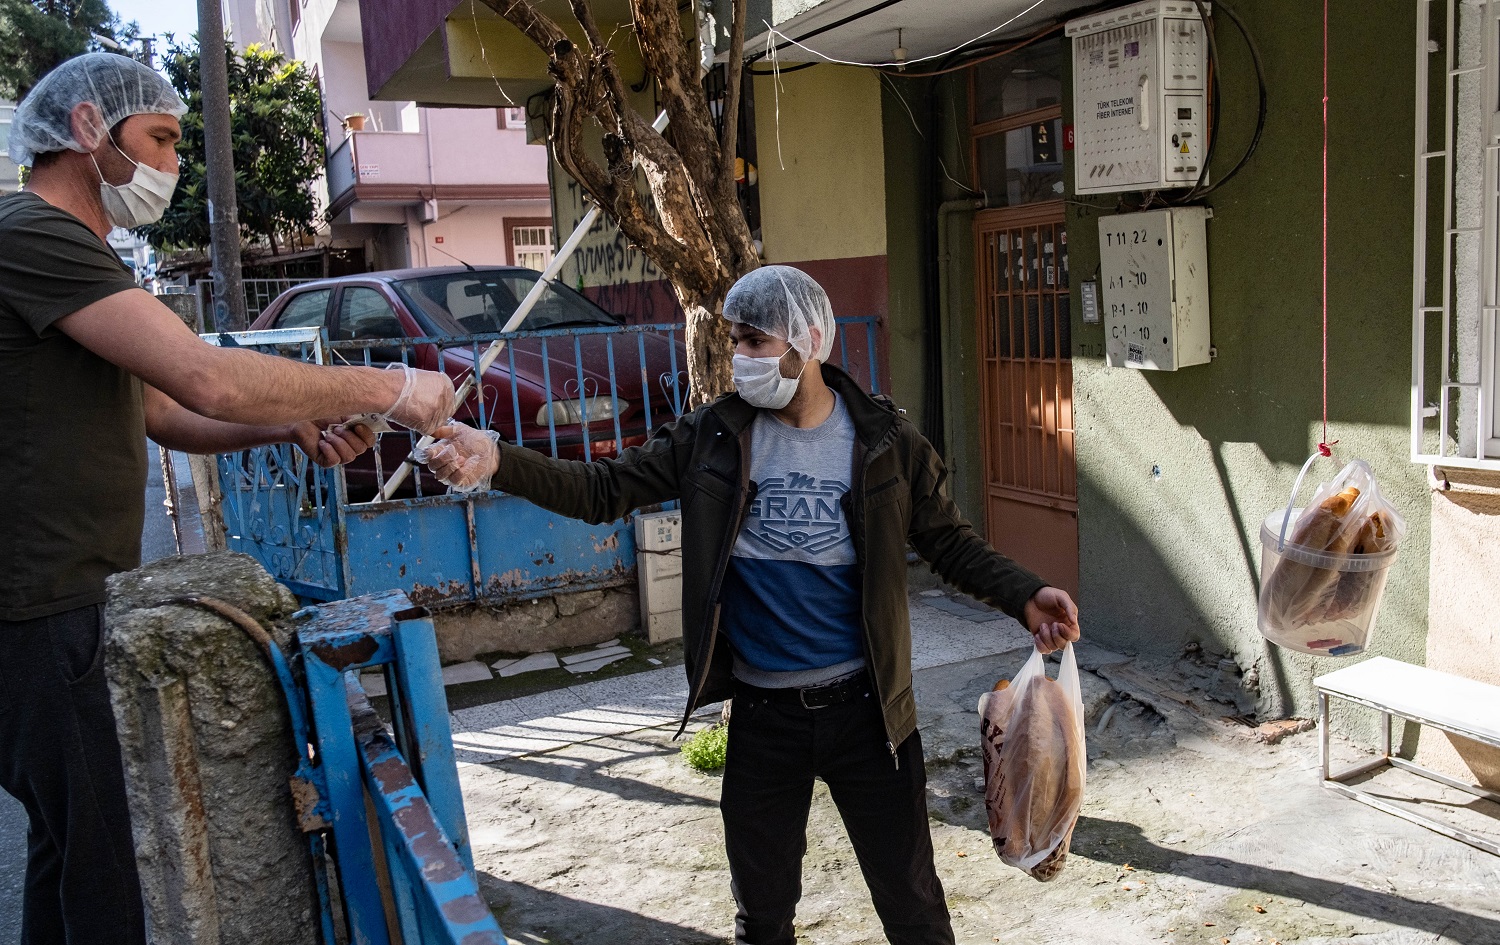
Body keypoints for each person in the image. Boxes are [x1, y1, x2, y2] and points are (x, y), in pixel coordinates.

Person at [423, 265, 1082, 945]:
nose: (738, 355)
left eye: (754, 340)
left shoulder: (885, 441)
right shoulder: (714, 436)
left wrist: (1024, 594)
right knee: (761, 919)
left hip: (870, 714)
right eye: (734, 339)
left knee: (914, 907)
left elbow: (948, 542)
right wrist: (498, 456)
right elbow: (603, 488)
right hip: (765, 719)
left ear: (810, 340)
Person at [0, 53, 457, 945]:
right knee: (103, 869)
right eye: (160, 139)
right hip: (38, 605)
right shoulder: (31, 231)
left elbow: (164, 410)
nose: (171, 163)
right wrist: (382, 390)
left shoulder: (83, 254)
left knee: (69, 848)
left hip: (68, 600)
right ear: (89, 129)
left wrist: (282, 426)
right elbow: (206, 376)